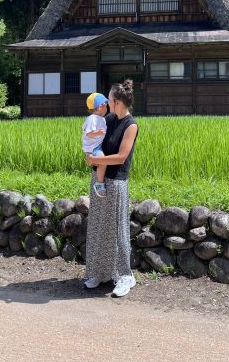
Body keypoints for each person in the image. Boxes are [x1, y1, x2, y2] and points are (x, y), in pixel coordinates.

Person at [84, 79, 138, 297]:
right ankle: (100, 273)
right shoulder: (108, 119)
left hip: (116, 183)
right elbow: (95, 142)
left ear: (117, 102)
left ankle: (125, 276)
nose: (106, 103)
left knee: (117, 230)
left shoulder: (130, 125)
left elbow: (122, 157)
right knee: (98, 227)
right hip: (99, 179)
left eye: (109, 100)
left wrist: (98, 161)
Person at [82, 92, 109, 198]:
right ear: (100, 107)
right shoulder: (92, 119)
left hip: (98, 145)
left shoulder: (101, 119)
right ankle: (99, 183)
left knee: (101, 161)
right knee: (103, 161)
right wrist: (98, 133)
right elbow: (88, 133)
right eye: (105, 105)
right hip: (93, 147)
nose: (107, 107)